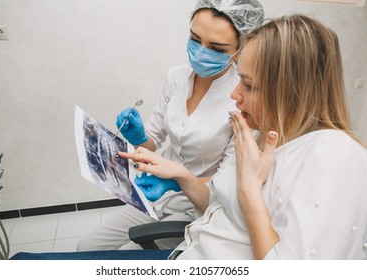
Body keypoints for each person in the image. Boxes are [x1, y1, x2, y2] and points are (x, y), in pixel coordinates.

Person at [118, 14, 367, 259]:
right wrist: (180, 176)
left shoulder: (334, 152)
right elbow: (222, 200)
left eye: (248, 84)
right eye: (196, 39)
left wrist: (249, 191)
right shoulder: (263, 137)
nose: (235, 94)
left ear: (290, 91)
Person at [77, 0, 265, 251]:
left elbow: (228, 180)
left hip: (198, 205)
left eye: (217, 48)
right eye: (195, 39)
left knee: (125, 259)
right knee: (86, 247)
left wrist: (178, 179)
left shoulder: (242, 100)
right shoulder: (176, 77)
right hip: (155, 193)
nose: (201, 52)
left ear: (241, 50)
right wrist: (139, 135)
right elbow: (152, 141)